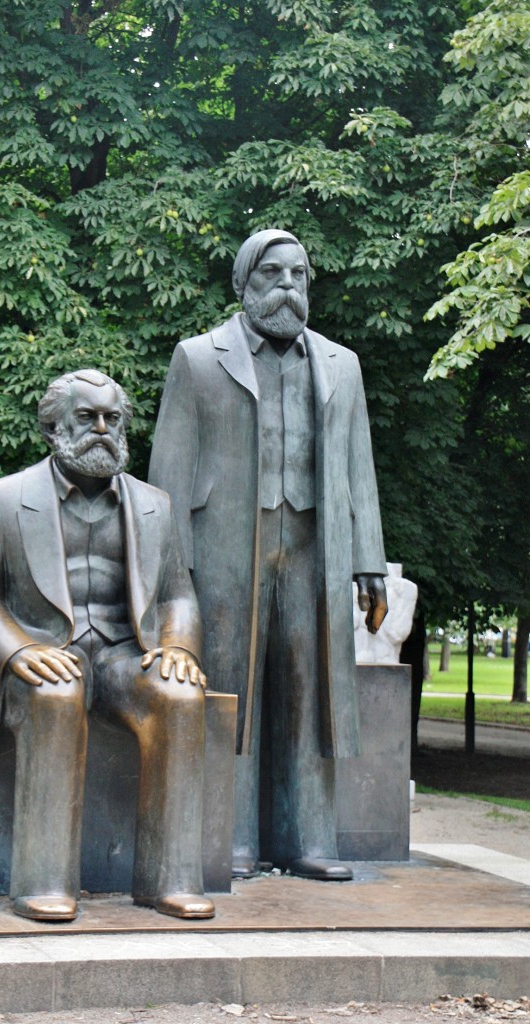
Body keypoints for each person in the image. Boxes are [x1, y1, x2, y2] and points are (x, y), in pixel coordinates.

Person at [149, 229, 388, 881]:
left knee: (311, 690)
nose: (288, 285)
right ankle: (230, 838)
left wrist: (369, 557)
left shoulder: (341, 365)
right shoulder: (198, 359)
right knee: (231, 687)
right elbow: (168, 470)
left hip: (314, 547)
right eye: (272, 274)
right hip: (226, 545)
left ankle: (307, 839)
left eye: (299, 275)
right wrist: (168, 570)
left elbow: (357, 468)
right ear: (243, 284)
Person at [0, 369, 214, 921]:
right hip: (43, 651)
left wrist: (180, 649)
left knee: (181, 696)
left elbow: (178, 598)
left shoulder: (154, 506)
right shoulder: (3, 499)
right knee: (55, 689)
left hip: (123, 655)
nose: (101, 428)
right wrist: (18, 653)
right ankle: (42, 881)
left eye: (111, 418)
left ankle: (170, 880)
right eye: (86, 417)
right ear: (53, 427)